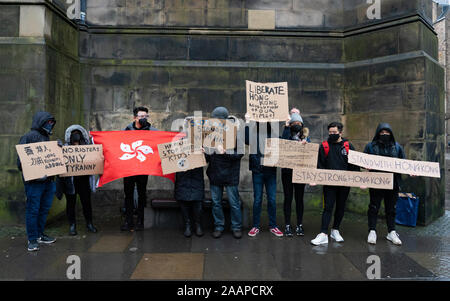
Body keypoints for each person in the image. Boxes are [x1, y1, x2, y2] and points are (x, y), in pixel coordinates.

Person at [310, 122, 361, 246]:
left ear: (340, 132)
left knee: (341, 207)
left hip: (344, 184)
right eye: (330, 132)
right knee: (328, 207)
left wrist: (360, 180)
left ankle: (335, 230)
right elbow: (319, 165)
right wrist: (315, 178)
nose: (332, 134)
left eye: (334, 132)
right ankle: (323, 233)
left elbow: (355, 164)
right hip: (329, 185)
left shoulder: (348, 146)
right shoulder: (324, 146)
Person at [17, 111, 58, 251]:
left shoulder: (46, 137)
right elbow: (20, 162)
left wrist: (58, 149)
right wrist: (36, 174)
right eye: (48, 123)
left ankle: (40, 235)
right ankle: (32, 239)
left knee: (44, 209)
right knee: (33, 210)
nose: (50, 126)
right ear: (42, 122)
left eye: (52, 123)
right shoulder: (28, 137)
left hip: (48, 181)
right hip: (34, 183)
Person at [364, 123, 406, 246]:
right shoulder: (370, 147)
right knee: (373, 207)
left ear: (391, 134)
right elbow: (362, 160)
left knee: (391, 209)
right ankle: (372, 230)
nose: (384, 135)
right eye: (382, 133)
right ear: (378, 133)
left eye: (387, 133)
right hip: (376, 183)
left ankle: (391, 231)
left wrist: (411, 171)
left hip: (393, 183)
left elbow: (404, 163)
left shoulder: (397, 147)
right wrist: (365, 167)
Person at [205, 107, 244, 239]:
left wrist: (226, 152)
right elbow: (207, 157)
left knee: (234, 202)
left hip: (230, 174)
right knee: (216, 202)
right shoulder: (210, 133)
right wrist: (203, 152)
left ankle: (236, 227)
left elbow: (240, 153)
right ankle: (219, 226)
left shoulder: (235, 132)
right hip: (215, 172)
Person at [245, 114, 283, 238]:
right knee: (257, 200)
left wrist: (287, 125)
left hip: (270, 171)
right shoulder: (253, 130)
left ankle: (273, 226)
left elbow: (283, 143)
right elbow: (245, 139)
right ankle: (255, 226)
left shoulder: (274, 131)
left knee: (272, 200)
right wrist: (247, 121)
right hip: (258, 170)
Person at [121, 106, 158, 232]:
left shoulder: (152, 131)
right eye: (141, 116)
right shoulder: (127, 130)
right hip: (128, 169)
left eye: (146, 116)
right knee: (128, 195)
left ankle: (140, 221)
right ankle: (128, 221)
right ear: (135, 118)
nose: (144, 118)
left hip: (143, 169)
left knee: (142, 195)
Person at [56, 125, 97, 236]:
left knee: (86, 204)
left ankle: (89, 223)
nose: (76, 135)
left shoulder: (88, 148)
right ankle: (72, 225)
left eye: (77, 133)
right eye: (73, 133)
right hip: (71, 183)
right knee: (71, 204)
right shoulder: (64, 148)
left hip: (84, 182)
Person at [280, 112, 310, 237]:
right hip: (287, 172)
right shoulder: (286, 134)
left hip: (300, 172)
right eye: (294, 123)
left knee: (299, 199)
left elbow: (310, 154)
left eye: (298, 123)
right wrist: (287, 127)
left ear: (302, 125)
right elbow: (282, 144)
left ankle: (299, 224)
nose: (296, 125)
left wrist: (305, 144)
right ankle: (287, 224)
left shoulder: (306, 137)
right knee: (288, 198)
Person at [174, 125, 205, 238]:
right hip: (183, 176)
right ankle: (187, 225)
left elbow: (209, 158)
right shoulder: (177, 140)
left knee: (198, 203)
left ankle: (198, 225)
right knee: (183, 202)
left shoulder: (201, 141)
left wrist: (204, 153)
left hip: (196, 176)